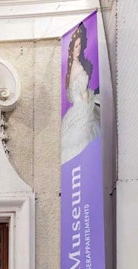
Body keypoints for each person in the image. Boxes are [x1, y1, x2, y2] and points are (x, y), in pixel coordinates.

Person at [60, 22, 101, 164]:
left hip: (74, 109)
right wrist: (89, 100)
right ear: (71, 49)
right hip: (82, 107)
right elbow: (84, 94)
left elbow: (70, 96)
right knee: (87, 136)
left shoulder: (70, 69)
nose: (78, 49)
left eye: (79, 46)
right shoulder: (78, 67)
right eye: (76, 46)